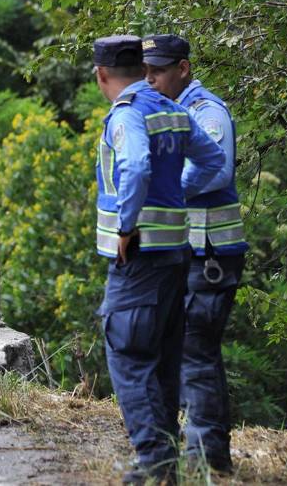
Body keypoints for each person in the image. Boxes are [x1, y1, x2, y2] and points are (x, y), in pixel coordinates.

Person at [92, 35, 225, 484]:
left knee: (129, 356)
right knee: (165, 361)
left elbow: (135, 167)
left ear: (101, 75)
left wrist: (127, 226)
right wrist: (177, 200)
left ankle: (153, 464)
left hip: (139, 257)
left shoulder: (127, 114)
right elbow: (212, 161)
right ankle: (166, 462)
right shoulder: (174, 109)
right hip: (175, 255)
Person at [143, 34, 249, 474]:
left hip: (211, 256)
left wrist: (159, 187)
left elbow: (216, 169)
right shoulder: (160, 111)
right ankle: (200, 452)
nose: (150, 78)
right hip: (183, 254)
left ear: (183, 69)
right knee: (182, 349)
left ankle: (207, 458)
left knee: (196, 350)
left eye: (159, 70)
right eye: (145, 70)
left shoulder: (207, 112)